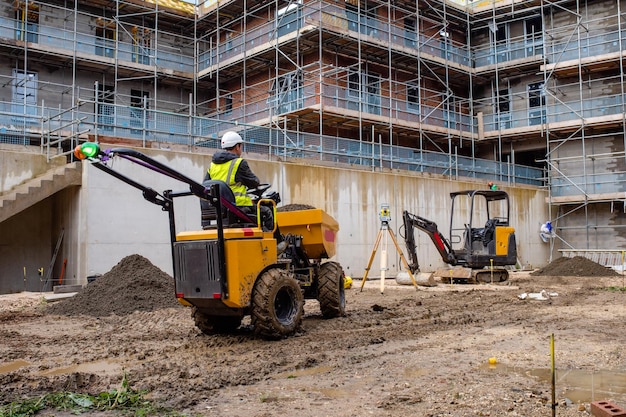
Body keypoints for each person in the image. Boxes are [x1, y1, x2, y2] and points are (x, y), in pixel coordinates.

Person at [204, 131, 286, 253]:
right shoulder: (239, 163)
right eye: (240, 146)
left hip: (219, 210)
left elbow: (206, 184)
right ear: (237, 146)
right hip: (238, 208)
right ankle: (275, 246)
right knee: (268, 210)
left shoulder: (213, 165)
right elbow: (254, 182)